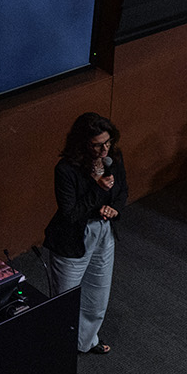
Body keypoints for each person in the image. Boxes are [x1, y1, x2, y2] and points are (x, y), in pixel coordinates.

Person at [43, 112, 126, 355]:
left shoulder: (114, 158)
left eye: (108, 142)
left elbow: (122, 191)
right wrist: (97, 191)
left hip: (103, 232)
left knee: (98, 293)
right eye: (97, 145)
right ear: (82, 143)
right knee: (65, 299)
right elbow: (69, 214)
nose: (104, 150)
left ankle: (86, 341)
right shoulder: (66, 169)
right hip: (72, 237)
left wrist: (115, 209)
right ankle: (60, 346)